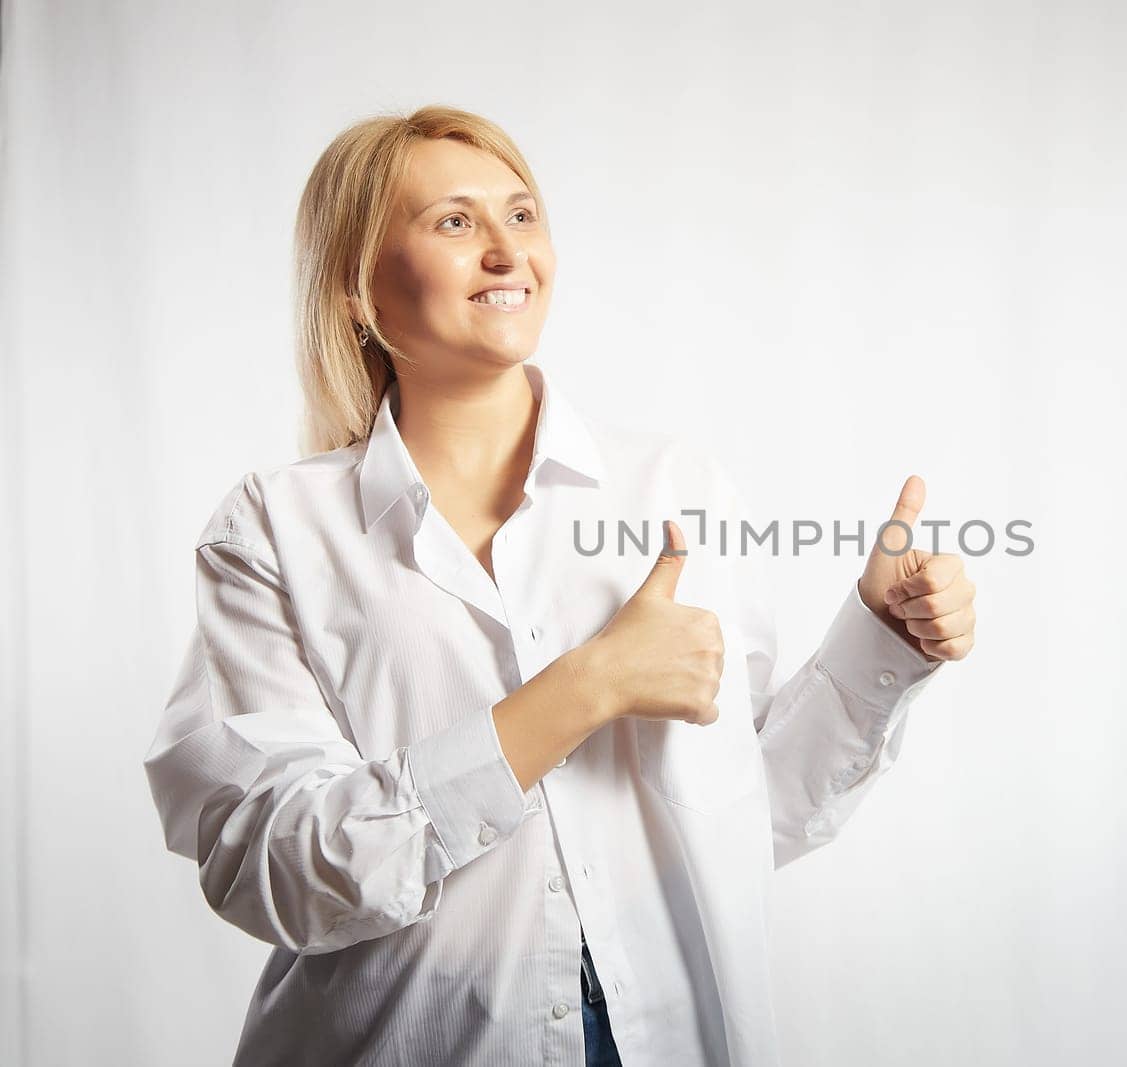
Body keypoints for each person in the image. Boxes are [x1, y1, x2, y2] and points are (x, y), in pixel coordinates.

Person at [143, 105, 978, 1067]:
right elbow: (275, 862)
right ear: (355, 289)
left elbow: (750, 819)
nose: (507, 253)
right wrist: (584, 690)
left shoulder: (673, 488)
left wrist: (882, 640)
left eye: (523, 214)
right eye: (455, 222)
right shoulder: (274, 530)